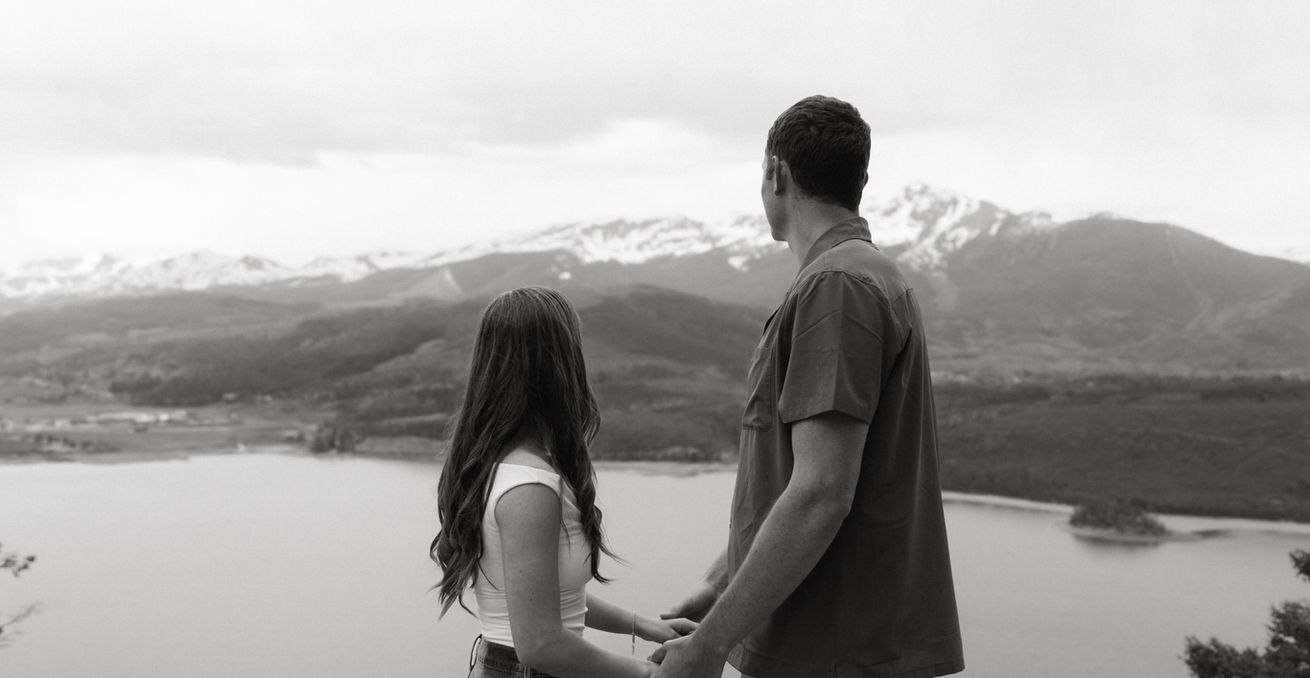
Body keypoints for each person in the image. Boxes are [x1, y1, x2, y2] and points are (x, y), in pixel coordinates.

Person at [652, 96, 965, 678]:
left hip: (833, 650)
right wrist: (718, 586)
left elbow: (822, 491)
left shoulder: (838, 286)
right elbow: (796, 479)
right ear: (861, 181)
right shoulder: (860, 276)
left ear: (776, 173)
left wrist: (710, 644)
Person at [431, 286, 696, 678]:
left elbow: (546, 596)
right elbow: (539, 644)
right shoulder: (530, 488)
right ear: (557, 366)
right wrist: (650, 674)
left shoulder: (502, 466)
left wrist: (643, 625)